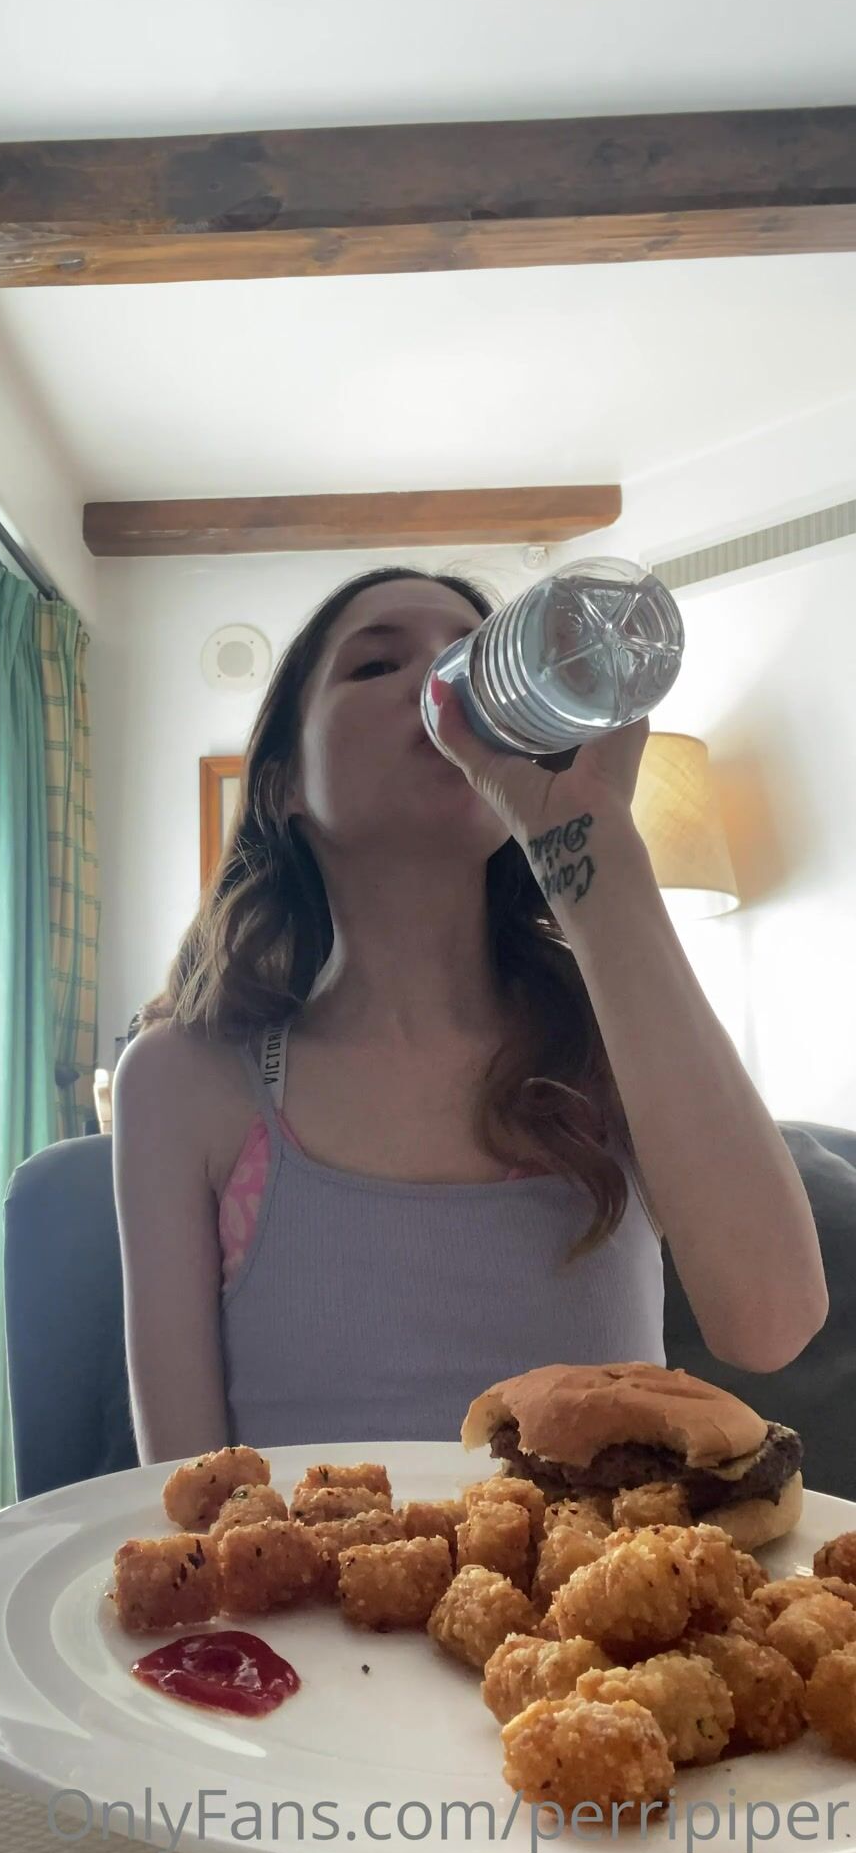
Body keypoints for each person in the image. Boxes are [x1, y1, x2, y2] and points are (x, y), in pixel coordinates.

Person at [112, 566, 827, 1465]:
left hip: (602, 1562)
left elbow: (770, 1323)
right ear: (286, 783)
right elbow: (184, 1494)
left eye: (468, 655)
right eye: (376, 665)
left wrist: (593, 846)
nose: (437, 685)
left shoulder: (609, 1039)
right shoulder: (185, 1078)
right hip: (299, 1562)